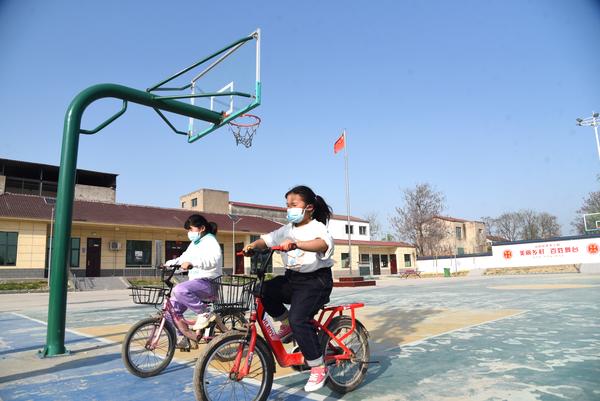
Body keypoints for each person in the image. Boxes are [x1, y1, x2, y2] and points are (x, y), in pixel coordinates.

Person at [244, 185, 334, 392]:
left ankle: (318, 367)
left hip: (316, 282)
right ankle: (286, 323)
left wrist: (297, 244)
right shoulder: (287, 229)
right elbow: (265, 240)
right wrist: (252, 247)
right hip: (293, 280)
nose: (289, 209)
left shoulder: (317, 227)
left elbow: (322, 244)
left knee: (299, 318)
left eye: (294, 205)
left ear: (309, 207)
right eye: (287, 206)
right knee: (263, 289)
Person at [164, 214, 222, 349]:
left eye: (190, 229)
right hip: (196, 284)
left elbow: (213, 260)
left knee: (179, 289)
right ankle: (187, 338)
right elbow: (183, 258)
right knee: (170, 310)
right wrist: (168, 264)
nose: (189, 233)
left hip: (208, 283)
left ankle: (205, 312)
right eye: (188, 230)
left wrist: (192, 263)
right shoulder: (194, 243)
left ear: (201, 228)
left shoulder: (210, 241)